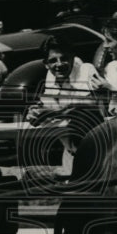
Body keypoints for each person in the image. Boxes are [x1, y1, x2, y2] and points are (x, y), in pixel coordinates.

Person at [25, 35, 98, 177]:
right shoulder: (51, 75)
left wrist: (57, 110)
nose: (59, 64)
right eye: (53, 61)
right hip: (70, 152)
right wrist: (35, 112)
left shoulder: (86, 69)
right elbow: (48, 105)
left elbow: (92, 103)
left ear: (72, 57)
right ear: (46, 64)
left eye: (64, 58)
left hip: (96, 150)